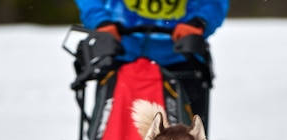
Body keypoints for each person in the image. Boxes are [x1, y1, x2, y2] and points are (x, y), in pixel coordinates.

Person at [73, 0, 229, 132]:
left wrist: (199, 22)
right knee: (112, 133)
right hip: (121, 52)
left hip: (181, 57)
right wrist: (101, 22)